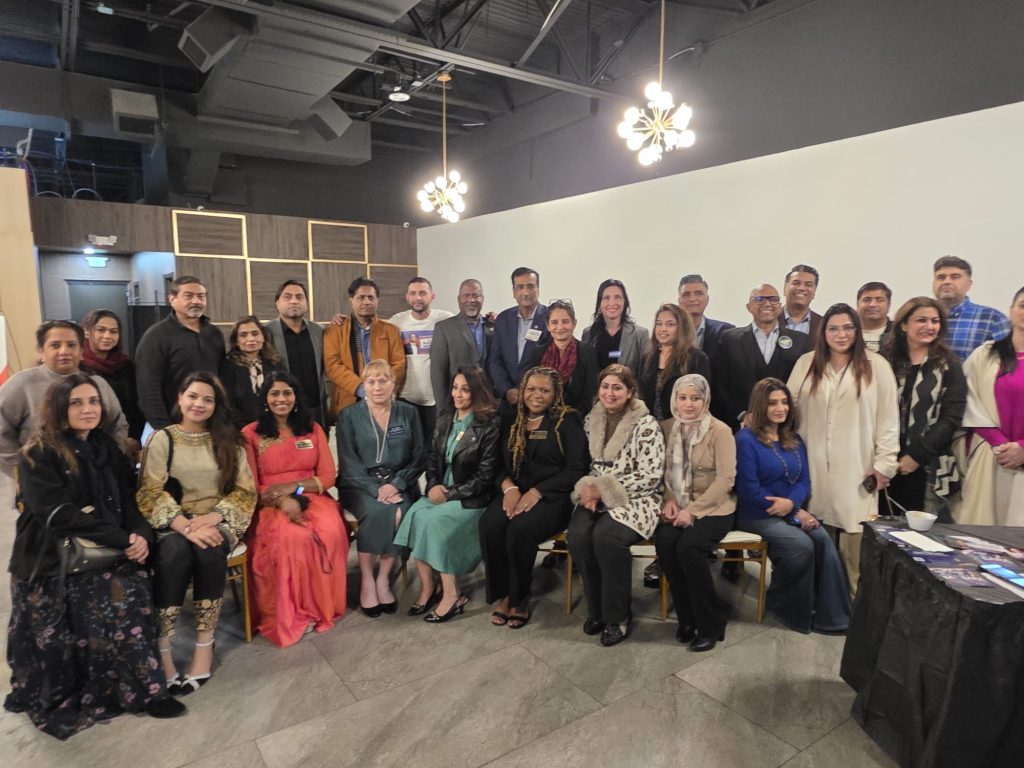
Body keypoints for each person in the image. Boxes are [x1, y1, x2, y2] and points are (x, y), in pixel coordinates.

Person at [5, 374, 185, 738]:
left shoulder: (108, 448)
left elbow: (130, 500)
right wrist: (122, 538)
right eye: (76, 402)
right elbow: (58, 514)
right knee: (77, 609)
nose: (88, 409)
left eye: (93, 401)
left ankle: (145, 691)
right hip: (54, 556)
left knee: (131, 591)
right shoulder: (39, 452)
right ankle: (76, 693)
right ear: (58, 408)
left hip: (110, 543)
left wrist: (140, 535)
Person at [137, 372, 256, 696]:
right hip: (175, 521)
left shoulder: (229, 441)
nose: (199, 404)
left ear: (216, 405)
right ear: (180, 398)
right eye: (192, 396)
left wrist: (212, 519)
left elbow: (245, 492)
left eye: (208, 399)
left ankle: (205, 643)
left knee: (208, 551)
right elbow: (149, 492)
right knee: (173, 553)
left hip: (219, 519)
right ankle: (163, 645)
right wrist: (185, 525)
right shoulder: (163, 439)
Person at [787, 303, 899, 594]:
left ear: (857, 331)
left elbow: (888, 419)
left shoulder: (877, 366)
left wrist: (884, 465)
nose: (841, 334)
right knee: (817, 538)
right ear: (823, 333)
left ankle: (852, 606)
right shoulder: (806, 363)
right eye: (833, 328)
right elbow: (787, 409)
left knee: (854, 544)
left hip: (857, 466)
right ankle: (820, 604)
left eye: (848, 328)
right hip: (811, 464)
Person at [734, 378, 850, 634]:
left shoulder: (794, 439)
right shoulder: (745, 439)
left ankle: (832, 615)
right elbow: (749, 489)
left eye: (784, 402)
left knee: (821, 538)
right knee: (801, 545)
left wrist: (792, 505)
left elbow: (804, 481)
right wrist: (794, 510)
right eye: (772, 403)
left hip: (788, 510)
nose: (780, 408)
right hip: (756, 514)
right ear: (760, 405)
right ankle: (787, 609)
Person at [242, 372, 348, 646]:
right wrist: (281, 499)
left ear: (296, 397)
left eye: (287, 393)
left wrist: (295, 487)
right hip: (269, 501)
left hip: (310, 494)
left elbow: (327, 476)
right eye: (274, 393)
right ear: (265, 399)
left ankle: (322, 607)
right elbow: (249, 484)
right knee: (294, 538)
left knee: (331, 531)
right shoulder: (251, 433)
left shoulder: (312, 429)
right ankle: (297, 613)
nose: (281, 399)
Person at [479, 366, 589, 628]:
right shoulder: (511, 419)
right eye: (531, 389)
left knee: (519, 529)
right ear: (522, 391)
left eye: (544, 390)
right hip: (514, 490)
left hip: (553, 496)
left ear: (555, 393)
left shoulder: (566, 420)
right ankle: (504, 593)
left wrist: (537, 492)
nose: (537, 395)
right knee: (490, 525)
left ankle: (520, 597)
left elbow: (577, 469)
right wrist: (509, 488)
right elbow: (495, 464)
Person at [568, 364, 664, 647]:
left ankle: (617, 616)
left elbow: (651, 475)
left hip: (638, 497)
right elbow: (588, 464)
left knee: (606, 538)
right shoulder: (592, 418)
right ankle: (596, 609)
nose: (610, 393)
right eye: (605, 386)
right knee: (578, 536)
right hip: (594, 493)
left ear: (630, 391)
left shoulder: (646, 424)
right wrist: (590, 489)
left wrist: (603, 489)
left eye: (617, 388)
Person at [395, 366, 500, 623]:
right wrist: (432, 484)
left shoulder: (489, 424)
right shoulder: (445, 418)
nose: (458, 394)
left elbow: (485, 477)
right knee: (414, 516)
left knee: (434, 522)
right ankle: (429, 588)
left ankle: (452, 595)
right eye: (455, 388)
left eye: (465, 389)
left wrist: (450, 494)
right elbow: (432, 458)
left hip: (470, 497)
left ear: (477, 391)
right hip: (440, 490)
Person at [0, 320, 128, 514]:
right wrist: (23, 466)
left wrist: (108, 462)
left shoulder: (97, 383)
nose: (64, 351)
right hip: (41, 482)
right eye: (55, 345)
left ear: (82, 350)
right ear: (41, 350)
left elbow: (117, 425)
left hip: (94, 481)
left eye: (71, 345)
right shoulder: (23, 383)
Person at [654, 375, 736, 652]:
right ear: (674, 400)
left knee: (689, 548)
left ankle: (711, 622)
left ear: (706, 400)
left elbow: (725, 480)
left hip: (715, 508)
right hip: (677, 505)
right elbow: (662, 472)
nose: (688, 404)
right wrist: (668, 500)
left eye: (695, 398)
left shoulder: (720, 430)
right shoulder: (666, 428)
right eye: (683, 398)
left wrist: (692, 511)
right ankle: (687, 617)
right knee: (665, 542)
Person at [336, 360, 424, 616]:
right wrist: (376, 489)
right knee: (378, 512)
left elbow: (419, 456)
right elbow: (348, 462)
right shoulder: (348, 416)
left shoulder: (408, 413)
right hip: (359, 484)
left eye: (383, 380)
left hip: (400, 481)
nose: (377, 387)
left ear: (393, 383)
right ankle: (367, 579)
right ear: (363, 385)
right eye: (371, 381)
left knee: (399, 512)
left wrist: (397, 484)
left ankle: (383, 578)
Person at [880, 297, 966, 520]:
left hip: (927, 463)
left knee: (919, 531)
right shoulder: (883, 361)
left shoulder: (950, 365)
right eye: (921, 320)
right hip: (882, 460)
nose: (929, 326)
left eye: (935, 321)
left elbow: (951, 418)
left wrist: (916, 456)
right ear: (904, 325)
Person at [958, 286, 1024, 525]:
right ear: (1011, 310)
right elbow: (967, 399)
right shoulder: (986, 355)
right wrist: (999, 443)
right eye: (1022, 305)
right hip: (989, 454)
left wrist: (1022, 448)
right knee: (983, 529)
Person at [713, 284, 809, 432]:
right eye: (759, 299)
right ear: (749, 307)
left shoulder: (800, 341)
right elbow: (720, 385)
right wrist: (742, 415)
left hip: (786, 427)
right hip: (742, 427)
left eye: (773, 299)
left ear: (780, 305)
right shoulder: (730, 339)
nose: (767, 304)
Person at [135, 275, 226, 430]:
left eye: (201, 296)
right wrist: (166, 431)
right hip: (172, 424)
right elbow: (148, 391)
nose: (196, 301)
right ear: (172, 299)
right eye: (188, 296)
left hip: (212, 424)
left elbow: (222, 380)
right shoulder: (155, 337)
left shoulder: (214, 334)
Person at [324, 277, 406, 418]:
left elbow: (399, 364)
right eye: (361, 297)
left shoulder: (391, 331)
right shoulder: (335, 331)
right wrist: (361, 388)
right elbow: (332, 365)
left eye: (371, 297)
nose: (367, 302)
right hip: (348, 400)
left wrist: (381, 387)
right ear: (351, 300)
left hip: (383, 400)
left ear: (377, 300)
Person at [389, 276, 454, 443]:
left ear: (432, 296)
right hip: (407, 397)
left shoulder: (446, 318)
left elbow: (469, 325)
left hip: (437, 398)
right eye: (413, 293)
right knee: (411, 446)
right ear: (407, 297)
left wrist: (490, 318)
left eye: (423, 293)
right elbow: (374, 327)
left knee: (436, 446)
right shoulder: (397, 321)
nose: (418, 297)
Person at [264, 280, 328, 428]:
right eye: (287, 297)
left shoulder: (319, 331)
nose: (294, 301)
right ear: (277, 303)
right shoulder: (265, 333)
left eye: (299, 297)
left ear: (306, 303)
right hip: (282, 411)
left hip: (316, 410)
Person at [638, 303, 711, 423]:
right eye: (659, 324)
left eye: (670, 324)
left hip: (682, 425)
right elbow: (640, 394)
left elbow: (701, 398)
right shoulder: (648, 358)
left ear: (681, 328)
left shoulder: (696, 358)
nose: (663, 329)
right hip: (650, 426)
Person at [490, 267, 550, 411]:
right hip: (508, 401)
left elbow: (549, 362)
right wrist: (507, 390)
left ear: (538, 289)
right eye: (520, 287)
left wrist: (525, 390)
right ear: (513, 291)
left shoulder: (550, 318)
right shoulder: (503, 319)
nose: (526, 292)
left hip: (539, 400)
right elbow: (495, 360)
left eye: (530, 286)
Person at [526, 299, 599, 416]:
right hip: (542, 416)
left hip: (577, 417)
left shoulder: (587, 353)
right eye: (554, 322)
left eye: (565, 321)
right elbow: (530, 388)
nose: (560, 327)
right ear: (548, 326)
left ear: (574, 323)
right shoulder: (539, 353)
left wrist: (571, 418)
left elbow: (590, 393)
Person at [81, 308, 145, 441]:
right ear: (86, 331)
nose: (107, 336)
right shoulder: (79, 367)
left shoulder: (126, 366)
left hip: (128, 438)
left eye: (113, 331)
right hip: (90, 440)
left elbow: (136, 406)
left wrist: (134, 438)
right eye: (100, 330)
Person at [932, 256, 1011, 361]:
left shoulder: (993, 319)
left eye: (955, 277)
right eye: (941, 277)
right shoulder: (920, 318)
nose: (946, 281)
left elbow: (1009, 362)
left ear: (969, 284)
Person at [430, 279, 492, 405]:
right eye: (466, 295)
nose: (471, 300)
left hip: (488, 402)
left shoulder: (493, 326)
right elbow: (438, 374)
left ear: (482, 299)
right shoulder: (444, 328)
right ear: (459, 299)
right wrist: (443, 409)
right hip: (457, 403)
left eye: (476, 296)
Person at [219, 315, 283, 429]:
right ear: (236, 341)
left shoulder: (276, 364)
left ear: (263, 337)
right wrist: (247, 429)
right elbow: (227, 404)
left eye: (255, 333)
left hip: (274, 426)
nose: (251, 339)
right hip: (240, 429)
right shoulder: (227, 366)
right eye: (243, 335)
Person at [581, 278, 650, 371]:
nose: (612, 303)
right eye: (606, 298)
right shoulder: (588, 334)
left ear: (625, 302)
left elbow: (646, 373)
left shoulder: (640, 335)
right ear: (599, 303)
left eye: (617, 297)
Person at [677, 274, 734, 361]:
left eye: (698, 294)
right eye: (686, 295)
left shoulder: (725, 331)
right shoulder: (668, 332)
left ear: (707, 299)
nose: (692, 299)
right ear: (679, 301)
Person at [782, 264, 823, 341]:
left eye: (808, 285)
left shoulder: (824, 325)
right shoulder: (769, 320)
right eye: (796, 283)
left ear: (814, 292)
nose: (801, 288)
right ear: (784, 289)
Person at [856, 282, 894, 352]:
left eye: (879, 300)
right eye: (866, 300)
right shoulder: (847, 333)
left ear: (889, 304)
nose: (872, 304)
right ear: (857, 304)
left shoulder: (899, 333)